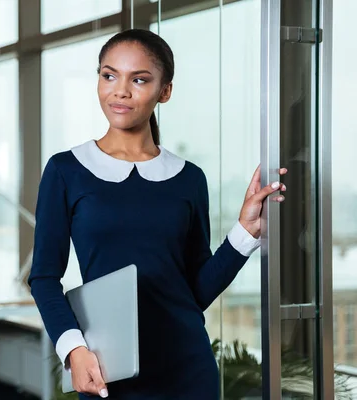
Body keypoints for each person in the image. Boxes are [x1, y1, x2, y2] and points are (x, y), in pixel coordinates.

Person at [27, 29, 287, 400]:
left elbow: (195, 291)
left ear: (164, 91)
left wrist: (244, 232)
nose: (120, 90)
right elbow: (44, 277)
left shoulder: (189, 178)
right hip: (106, 369)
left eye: (139, 79)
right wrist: (73, 349)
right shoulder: (66, 170)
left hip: (188, 368)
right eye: (109, 75)